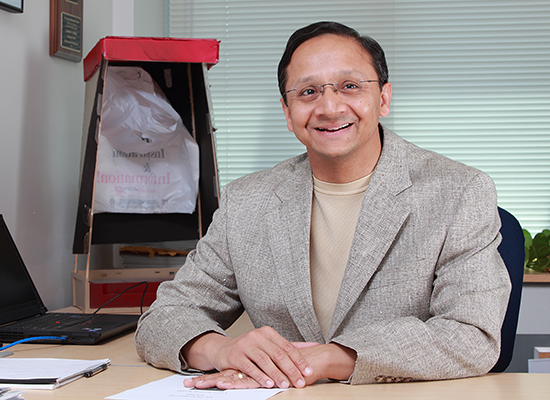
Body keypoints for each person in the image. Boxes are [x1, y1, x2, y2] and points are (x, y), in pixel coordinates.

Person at [135, 21, 511, 388]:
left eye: (350, 86)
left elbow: (472, 336)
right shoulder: (247, 202)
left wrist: (330, 358)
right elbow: (161, 320)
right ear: (287, 112)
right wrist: (221, 349)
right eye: (308, 92)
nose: (330, 107)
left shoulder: (458, 191)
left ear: (383, 98)